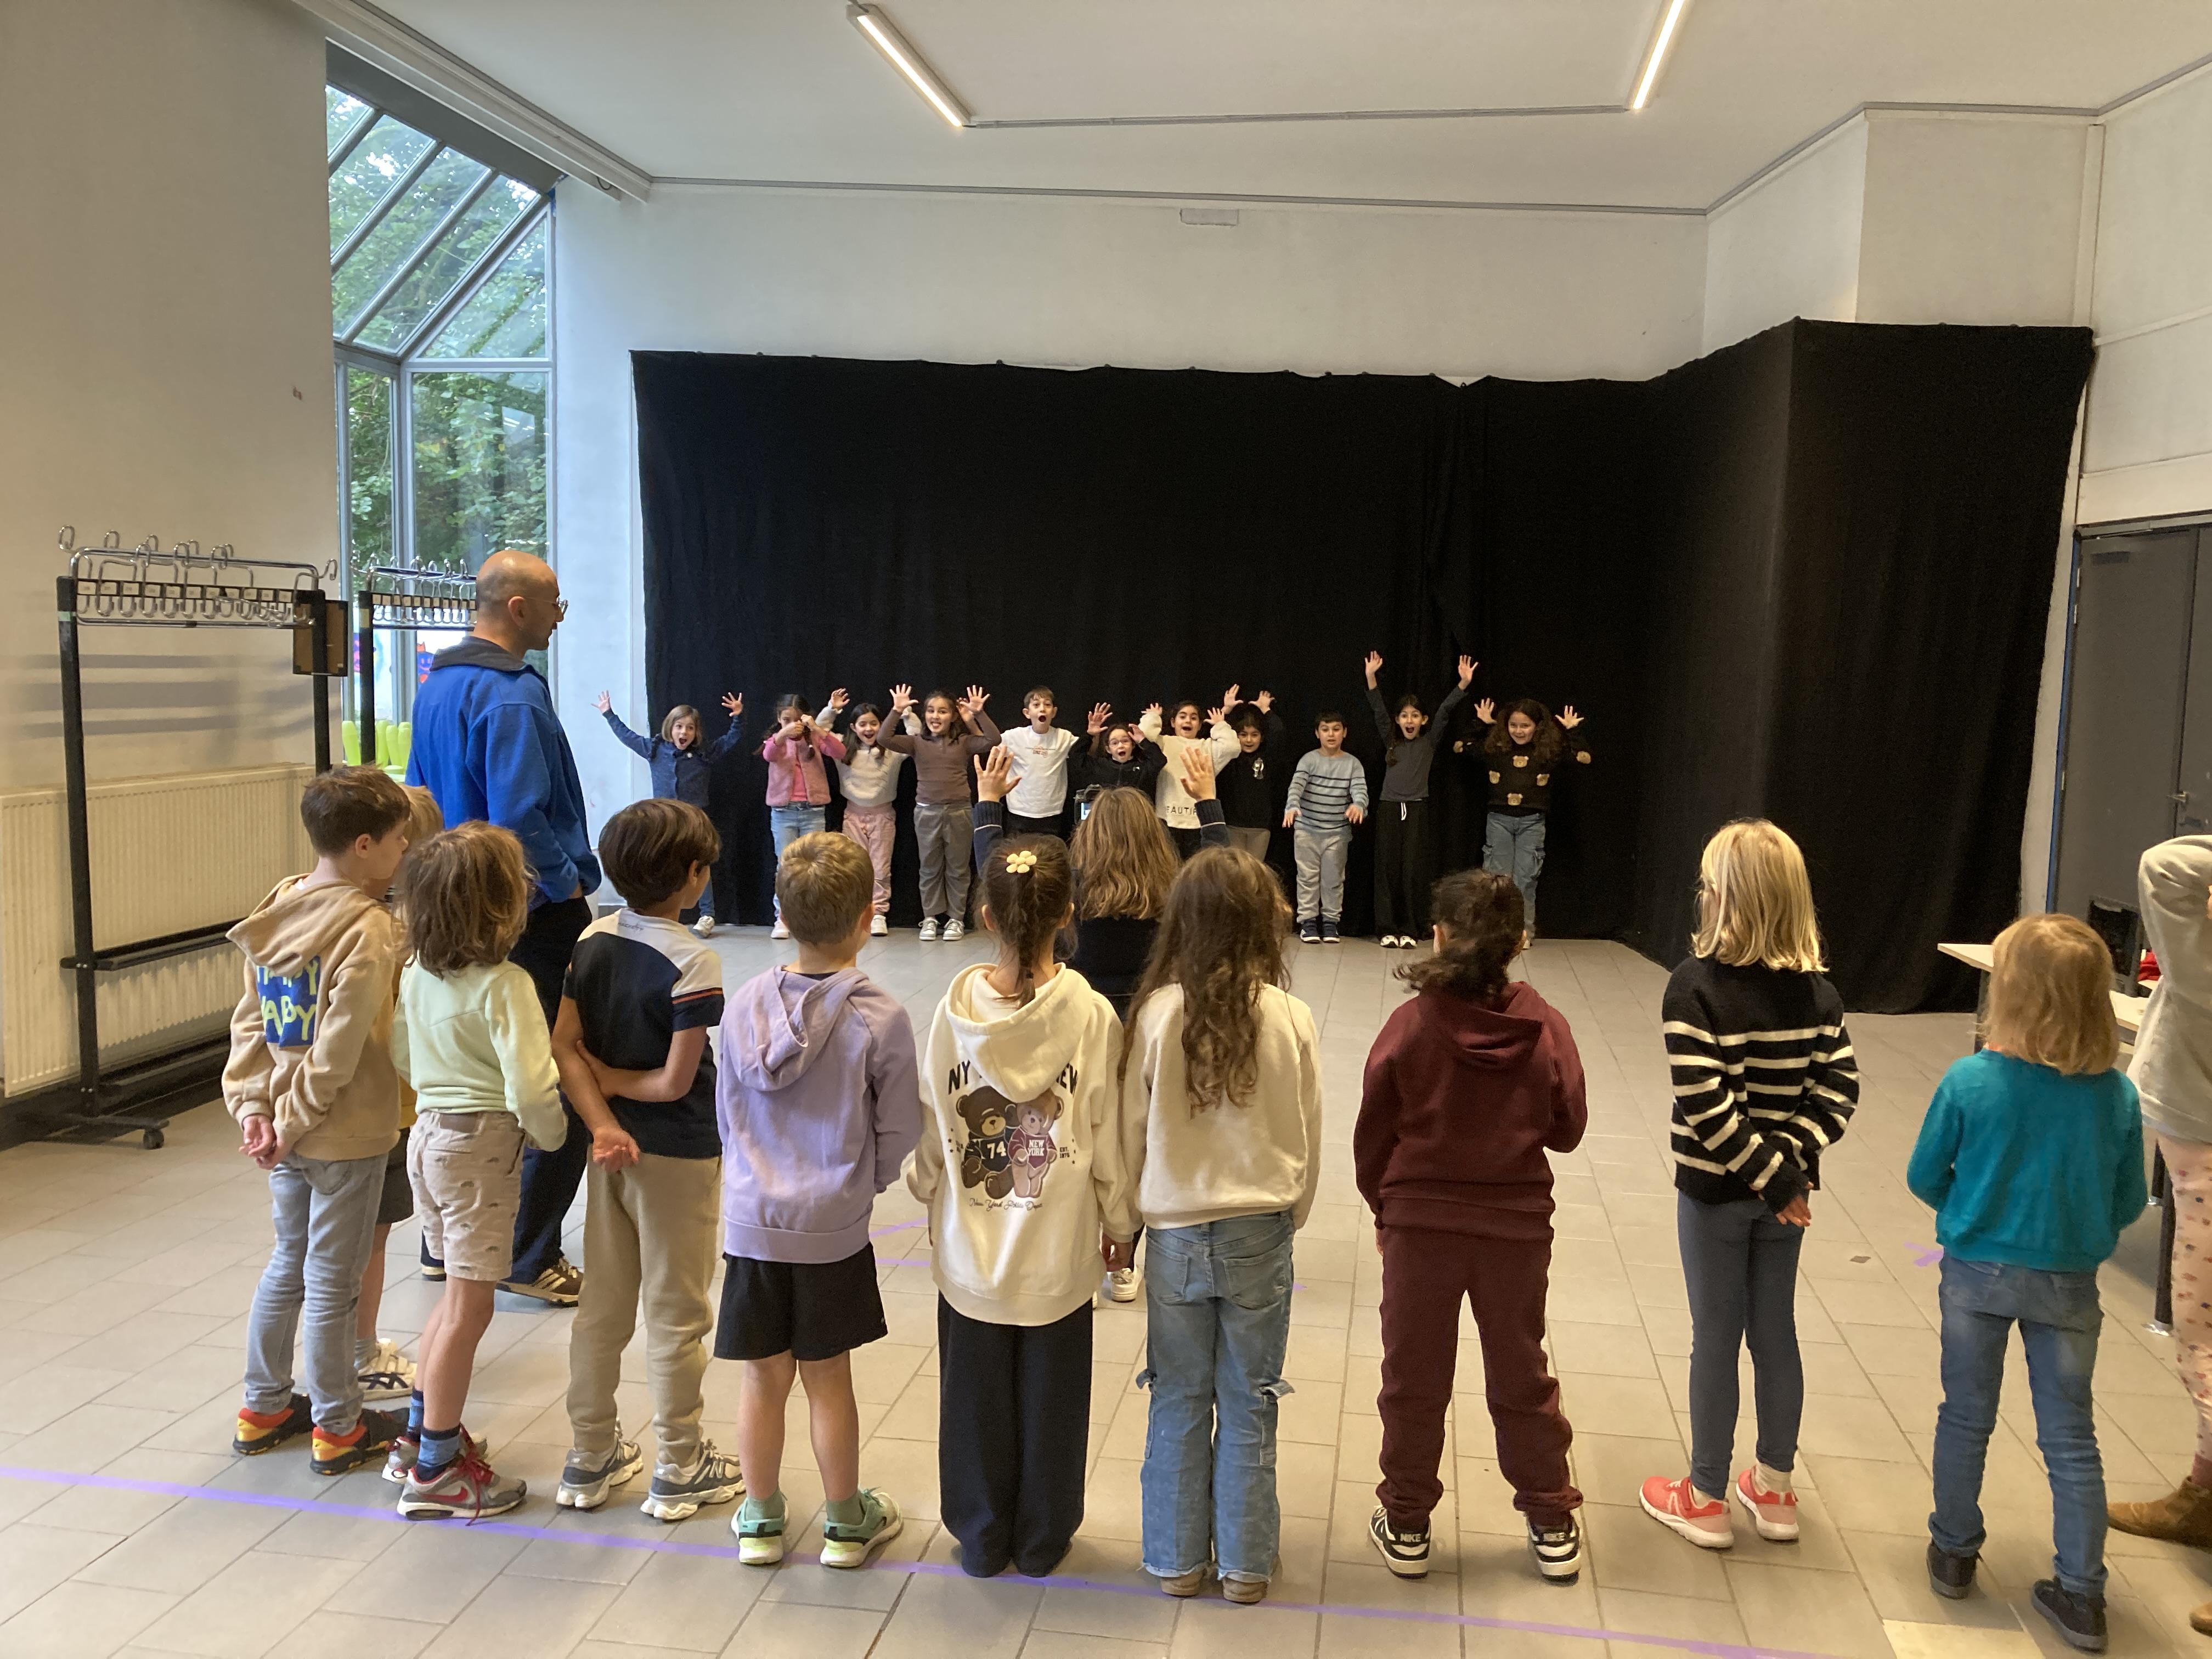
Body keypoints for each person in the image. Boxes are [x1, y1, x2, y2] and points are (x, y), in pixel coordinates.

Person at [1910, 913, 2143, 1654]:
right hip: (2070, 1281)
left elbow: (1924, 1175)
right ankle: (2082, 1592)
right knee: (2072, 1437)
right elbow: (2130, 1200)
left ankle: (1954, 1551)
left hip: (1977, 1271)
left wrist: (1967, 1213)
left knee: (1965, 1415)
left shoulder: (1970, 1081)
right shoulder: (2116, 1095)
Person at [907, 834, 1135, 1578]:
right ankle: (1041, 1540)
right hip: (1058, 1254)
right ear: (1068, 913)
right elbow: (1106, 1132)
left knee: (973, 1399)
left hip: (969, 1254)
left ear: (985, 917)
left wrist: (926, 1185)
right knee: (1053, 1403)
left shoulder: (952, 1014)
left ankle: (981, 1537)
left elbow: (934, 1122)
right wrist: (1121, 1223)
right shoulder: (1093, 1015)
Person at [1356, 870, 1587, 1583]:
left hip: (1420, 1228)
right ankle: (1550, 1518)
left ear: (1439, 935)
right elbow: (1568, 1128)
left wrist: (1386, 1209)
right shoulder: (1546, 1027)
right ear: (1519, 944)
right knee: (1522, 1373)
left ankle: (1407, 1522)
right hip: (1516, 1231)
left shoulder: (1410, 1025)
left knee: (1414, 1377)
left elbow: (1374, 1135)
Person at [1639, 820, 1858, 1550]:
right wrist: (1787, 1174)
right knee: (1775, 1333)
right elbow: (1839, 1094)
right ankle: (1775, 1487)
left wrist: (1770, 1177)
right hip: (1785, 1204)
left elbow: (1708, 1108)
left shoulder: (1692, 988)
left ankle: (1704, 1495)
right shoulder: (1820, 996)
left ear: (1723, 899)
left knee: (1715, 1335)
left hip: (1717, 1197)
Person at [1118, 847, 1322, 1605]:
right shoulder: (1290, 1016)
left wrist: (1123, 1223)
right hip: (1261, 1232)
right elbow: (1309, 1129)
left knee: (1177, 1396)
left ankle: (1175, 1561)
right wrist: (1293, 1212)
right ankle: (1245, 1565)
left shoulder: (1157, 1014)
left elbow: (1132, 1134)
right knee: (1250, 1400)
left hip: (1174, 1236)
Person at [718, 832, 923, 1567]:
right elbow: (901, 1126)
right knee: (829, 1375)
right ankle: (845, 1522)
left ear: (780, 912)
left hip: (753, 1224)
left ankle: (760, 1518)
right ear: (868, 919)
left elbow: (728, 1111)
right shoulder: (881, 1017)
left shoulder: (744, 1003)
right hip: (832, 1227)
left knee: (762, 1376)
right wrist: (863, 1182)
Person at [407, 548, 597, 1307]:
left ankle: (444, 1243)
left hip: (454, 907)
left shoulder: (436, 687)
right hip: (525, 912)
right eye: (555, 604)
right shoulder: (512, 696)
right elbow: (521, 814)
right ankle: (529, 1252)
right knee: (558, 1067)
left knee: (465, 1078)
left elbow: (421, 798)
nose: (559, 617)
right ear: (518, 608)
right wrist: (568, 880)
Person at [551, 799, 746, 1522]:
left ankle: (589, 1454)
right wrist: (615, 1083)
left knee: (601, 1309)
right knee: (676, 1313)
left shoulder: (593, 937)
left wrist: (602, 1122)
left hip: (612, 1154)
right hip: (679, 1155)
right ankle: (680, 1463)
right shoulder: (695, 958)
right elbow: (671, 1083)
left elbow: (563, 1047)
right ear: (693, 876)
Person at [386, 822, 584, 1516]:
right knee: (471, 1309)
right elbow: (532, 1084)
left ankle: (419, 1436)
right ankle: (437, 1470)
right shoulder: (508, 985)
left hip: (430, 1139)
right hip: (479, 1149)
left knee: (451, 1302)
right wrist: (553, 1136)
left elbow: (403, 1054)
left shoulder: (416, 972)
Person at [225, 766, 413, 1476]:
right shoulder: (367, 927)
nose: (404, 851)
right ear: (364, 845)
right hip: (342, 1131)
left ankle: (265, 1406)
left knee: (288, 1265)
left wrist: (256, 1109)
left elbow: (250, 1022)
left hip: (283, 1128)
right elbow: (339, 1048)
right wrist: (293, 1121)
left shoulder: (280, 904)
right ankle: (338, 1424)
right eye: (397, 839)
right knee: (334, 1281)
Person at [2108, 837, 2212, 1636]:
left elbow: (2166, 866)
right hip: (2196, 1149)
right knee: (2200, 1339)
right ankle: (2204, 1496)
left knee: (2207, 1353)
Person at [976, 744, 1231, 1019]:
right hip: (1155, 1015)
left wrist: (989, 800)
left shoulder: (1066, 889)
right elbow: (1218, 870)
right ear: (1155, 836)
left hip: (1079, 1013)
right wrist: (1208, 801)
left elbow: (1004, 878)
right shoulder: (1176, 891)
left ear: (1088, 835)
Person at [353, 783, 445, 1406]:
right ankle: (360, 1352)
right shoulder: (389, 936)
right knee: (370, 1238)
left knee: (359, 1237)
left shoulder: (377, 926)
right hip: (381, 1109)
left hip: (379, 1107)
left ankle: (351, 1346)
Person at [594, 689, 746, 935]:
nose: (684, 733)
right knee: (662, 863)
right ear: (670, 728)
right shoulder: (655, 749)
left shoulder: (703, 754)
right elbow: (628, 737)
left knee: (698, 865)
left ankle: (707, 915)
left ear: (696, 733)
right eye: (679, 727)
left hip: (693, 819)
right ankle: (658, 912)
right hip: (664, 820)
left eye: (690, 728)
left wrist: (738, 717)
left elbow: (731, 740)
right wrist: (609, 714)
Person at [1365, 652, 1474, 948]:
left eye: (1415, 715)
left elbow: (1445, 711)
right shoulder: (1392, 741)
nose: (1409, 720)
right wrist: (1371, 678)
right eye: (1404, 716)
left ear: (1423, 720)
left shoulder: (1429, 741)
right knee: (1387, 870)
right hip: (1389, 808)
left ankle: (1409, 929)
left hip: (1416, 809)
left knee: (1411, 870)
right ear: (1398, 721)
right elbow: (1378, 711)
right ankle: (1387, 928)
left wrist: (1463, 684)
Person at [880, 683, 999, 940]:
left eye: (943, 711)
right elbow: (884, 739)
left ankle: (956, 919)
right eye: (931, 710)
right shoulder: (916, 742)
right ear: (924, 714)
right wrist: (896, 711)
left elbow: (993, 740)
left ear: (953, 716)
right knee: (929, 868)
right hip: (926, 813)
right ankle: (931, 918)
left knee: (958, 869)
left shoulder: (963, 742)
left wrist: (978, 714)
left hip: (959, 812)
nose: (936, 716)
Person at [1465, 696, 1590, 936]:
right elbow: (1462, 747)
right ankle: (1496, 932)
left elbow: (1583, 759)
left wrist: (1572, 731)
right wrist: (1482, 724)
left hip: (1532, 822)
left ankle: (1522, 931)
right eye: (1514, 725)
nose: (1519, 731)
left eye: (1525, 726)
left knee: (1526, 879)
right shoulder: (1496, 749)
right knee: (1496, 880)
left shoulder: (1547, 752)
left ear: (1537, 727)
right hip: (1499, 820)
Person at [822, 697, 917, 936]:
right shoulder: (842, 748)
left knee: (880, 868)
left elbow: (917, 737)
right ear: (853, 727)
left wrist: (905, 713)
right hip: (853, 815)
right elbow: (819, 731)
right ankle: (857, 912)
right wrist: (831, 710)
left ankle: (878, 914)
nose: (868, 729)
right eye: (863, 724)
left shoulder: (892, 750)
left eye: (874, 724)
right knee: (854, 866)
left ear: (882, 725)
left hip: (882, 816)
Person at [762, 694, 848, 941]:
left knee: (816, 865)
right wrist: (782, 734)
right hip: (784, 812)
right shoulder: (776, 741)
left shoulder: (814, 738)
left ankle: (813, 918)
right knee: (785, 865)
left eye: (797, 720)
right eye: (786, 720)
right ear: (779, 720)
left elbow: (840, 752)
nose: (793, 725)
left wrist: (817, 729)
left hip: (813, 811)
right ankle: (783, 917)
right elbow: (768, 755)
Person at [1283, 710, 1368, 944]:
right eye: (1325, 729)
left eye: (1336, 729)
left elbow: (1360, 791)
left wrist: (1359, 805)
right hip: (1307, 829)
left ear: (1344, 733)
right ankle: (1308, 923)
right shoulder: (1308, 760)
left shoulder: (1352, 764)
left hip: (1337, 833)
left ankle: (1331, 923)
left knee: (1333, 880)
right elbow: (1296, 786)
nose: (1331, 734)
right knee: (1307, 878)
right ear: (1317, 733)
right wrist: (1292, 805)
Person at [1139, 692, 1244, 858]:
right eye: (1183, 717)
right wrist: (1154, 717)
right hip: (1168, 820)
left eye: (1194, 718)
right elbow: (1144, 734)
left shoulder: (1208, 747)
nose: (1188, 721)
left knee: (1196, 867)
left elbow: (1233, 748)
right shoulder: (1164, 742)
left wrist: (1220, 725)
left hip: (1198, 822)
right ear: (1173, 722)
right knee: (1168, 866)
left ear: (1200, 725)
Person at [998, 687, 1084, 838]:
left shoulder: (1064, 737)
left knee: (1048, 852)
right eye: (1036, 705)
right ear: (1027, 713)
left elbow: (1085, 754)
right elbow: (988, 743)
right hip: (1019, 812)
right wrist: (974, 719)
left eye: (1047, 705)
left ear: (1054, 712)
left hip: (1052, 813)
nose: (1042, 709)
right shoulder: (1014, 736)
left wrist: (1093, 735)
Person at [1218, 693, 1286, 864]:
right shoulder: (1231, 756)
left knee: (1254, 872)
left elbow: (1278, 733)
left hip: (1260, 827)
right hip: (1233, 825)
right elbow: (1212, 734)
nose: (1249, 740)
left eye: (1254, 735)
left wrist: (1266, 710)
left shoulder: (1267, 757)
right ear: (1236, 736)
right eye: (1244, 735)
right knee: (1234, 871)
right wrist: (1226, 711)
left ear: (1261, 738)